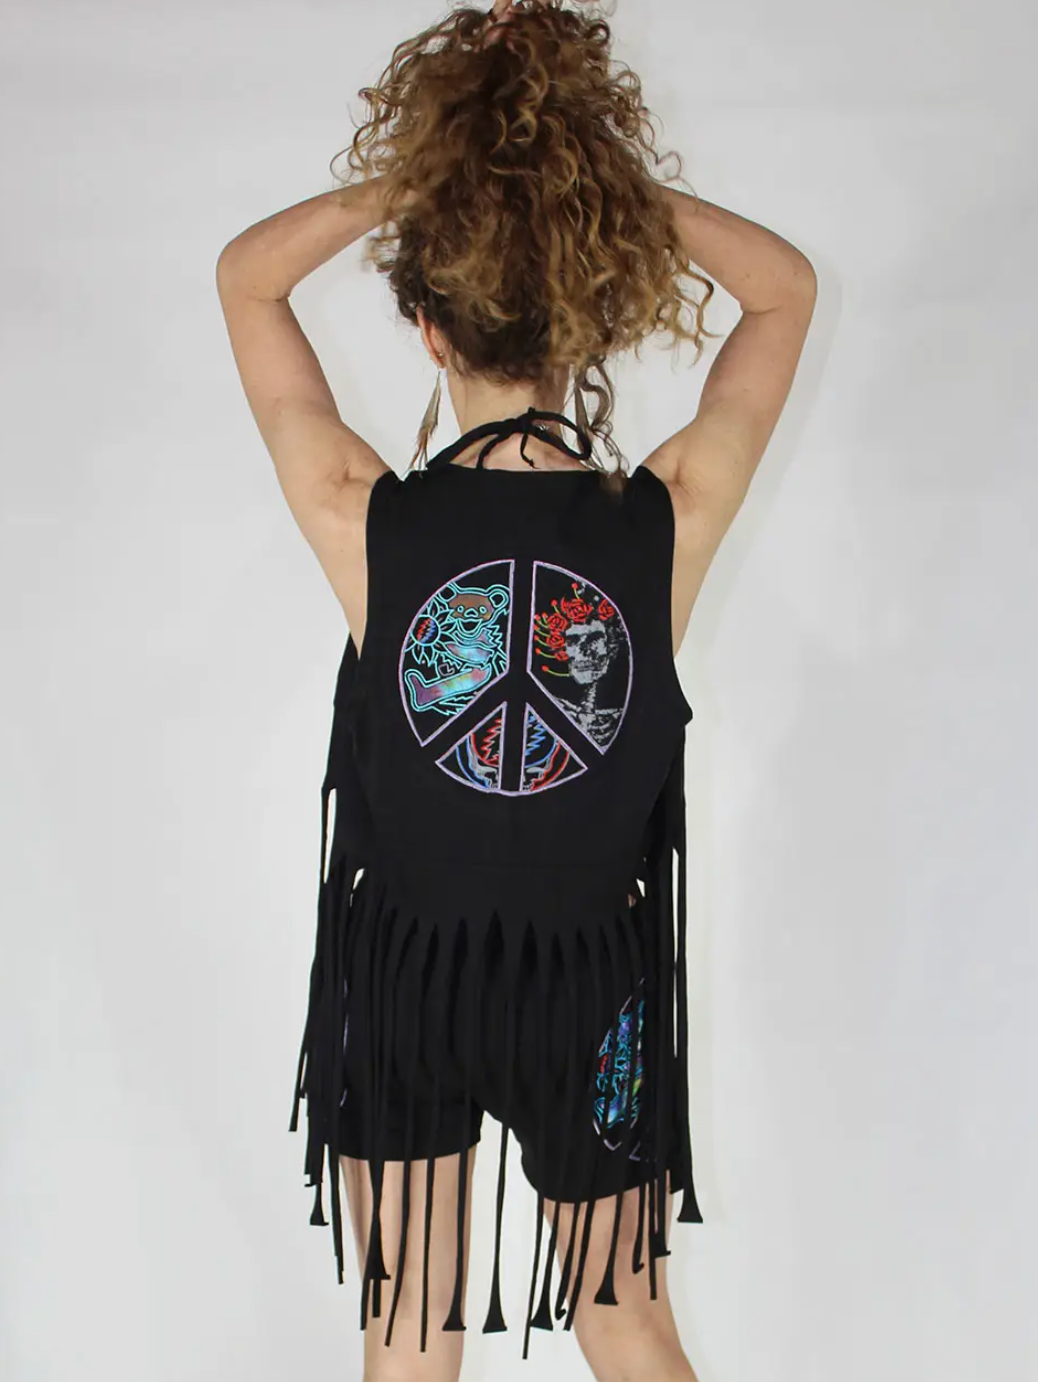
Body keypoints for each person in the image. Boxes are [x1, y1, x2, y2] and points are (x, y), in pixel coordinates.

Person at [215, 2, 816, 1378]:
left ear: (425, 327)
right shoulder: (666, 517)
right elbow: (784, 289)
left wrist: (437, 175)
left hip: (405, 981)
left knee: (409, 1330)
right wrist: (579, 179)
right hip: (588, 991)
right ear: (590, 317)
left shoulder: (359, 512)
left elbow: (246, 281)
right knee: (626, 1321)